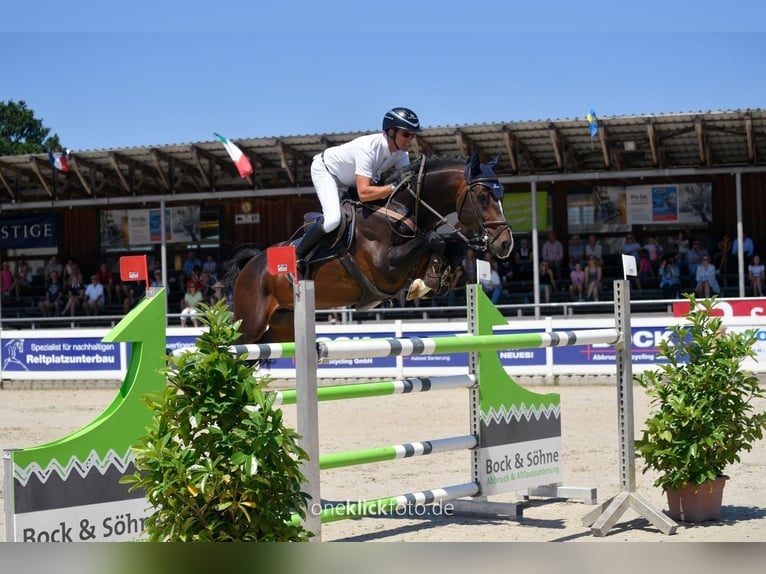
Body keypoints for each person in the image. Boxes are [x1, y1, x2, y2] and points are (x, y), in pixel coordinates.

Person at [301, 107, 427, 294]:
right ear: (391, 132)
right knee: (333, 219)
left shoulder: (402, 154)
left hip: (353, 179)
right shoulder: (368, 148)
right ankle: (298, 257)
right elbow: (365, 193)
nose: (410, 140)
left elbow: (407, 188)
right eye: (406, 134)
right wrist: (392, 187)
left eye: (413, 135)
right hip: (327, 172)